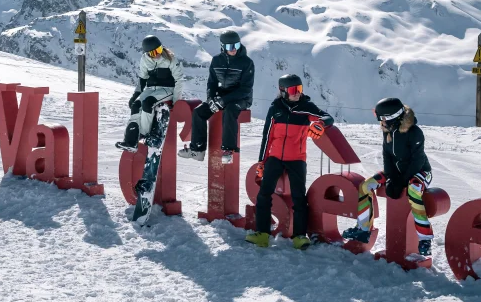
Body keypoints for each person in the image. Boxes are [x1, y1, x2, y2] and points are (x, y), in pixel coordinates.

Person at [245, 74, 334, 250]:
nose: (297, 94)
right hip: (275, 158)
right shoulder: (275, 108)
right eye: (293, 90)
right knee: (264, 194)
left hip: (297, 159)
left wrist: (320, 124)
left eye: (299, 89)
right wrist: (262, 161)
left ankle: (299, 236)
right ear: (283, 91)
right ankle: (262, 234)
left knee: (299, 198)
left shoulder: (307, 107)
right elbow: (267, 136)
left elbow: (328, 117)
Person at [342, 97, 434, 255]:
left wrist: (401, 182)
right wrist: (391, 178)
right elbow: (387, 158)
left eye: (382, 118)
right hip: (396, 173)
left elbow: (417, 161)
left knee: (413, 190)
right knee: (365, 186)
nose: (381, 121)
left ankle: (425, 239)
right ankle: (363, 230)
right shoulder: (388, 131)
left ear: (392, 117)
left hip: (420, 171)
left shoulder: (414, 132)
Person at [177, 30, 254, 164]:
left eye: (236, 45)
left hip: (240, 99)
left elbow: (245, 89)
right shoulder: (217, 60)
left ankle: (228, 150)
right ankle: (197, 150)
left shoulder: (246, 62)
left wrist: (222, 101)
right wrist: (211, 99)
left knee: (230, 110)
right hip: (220, 98)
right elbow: (211, 83)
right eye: (230, 47)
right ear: (223, 46)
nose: (234, 49)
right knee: (199, 112)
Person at [115, 35, 184, 151]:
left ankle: (143, 134)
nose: (156, 54)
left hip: (166, 89)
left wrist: (176, 101)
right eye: (152, 53)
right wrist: (135, 95)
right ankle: (130, 140)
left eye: (158, 50)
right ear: (147, 53)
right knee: (136, 105)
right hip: (151, 89)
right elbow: (142, 79)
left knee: (148, 103)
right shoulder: (144, 60)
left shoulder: (170, 59)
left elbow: (178, 80)